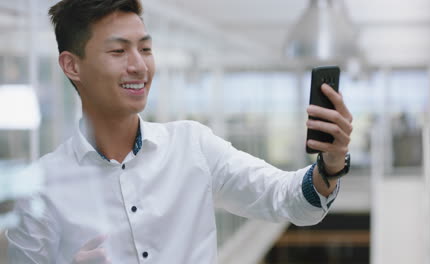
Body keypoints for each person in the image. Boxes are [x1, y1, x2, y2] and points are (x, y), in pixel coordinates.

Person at [6, 0, 353, 263]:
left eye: (145, 49)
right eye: (118, 51)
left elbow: (287, 198)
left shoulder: (193, 146)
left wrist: (330, 165)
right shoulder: (40, 190)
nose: (139, 66)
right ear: (72, 65)